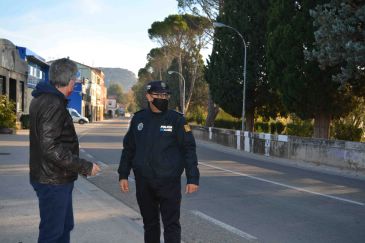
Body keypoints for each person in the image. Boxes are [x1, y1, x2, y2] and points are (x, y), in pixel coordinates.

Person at [118, 80, 200, 243]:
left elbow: (189, 149)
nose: (163, 98)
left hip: (168, 183)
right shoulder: (138, 119)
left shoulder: (177, 120)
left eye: (166, 95)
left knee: (171, 225)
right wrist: (123, 174)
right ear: (149, 97)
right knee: (150, 224)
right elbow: (129, 148)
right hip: (144, 182)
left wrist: (192, 178)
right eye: (159, 95)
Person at [29, 58, 101, 243]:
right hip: (53, 180)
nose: (76, 83)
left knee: (63, 227)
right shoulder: (52, 103)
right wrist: (84, 166)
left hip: (53, 177)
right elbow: (50, 147)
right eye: (76, 79)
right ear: (69, 81)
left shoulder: (45, 99)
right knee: (53, 233)